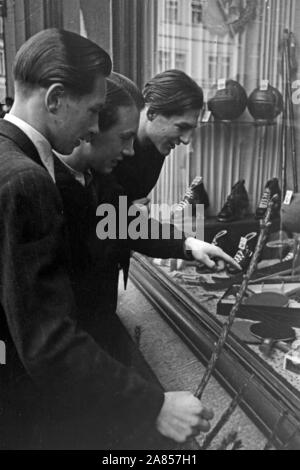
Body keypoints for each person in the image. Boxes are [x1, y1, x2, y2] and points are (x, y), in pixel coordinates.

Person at [0, 29, 214, 450]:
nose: (94, 127)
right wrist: (153, 404)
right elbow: (47, 341)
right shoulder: (28, 180)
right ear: (56, 99)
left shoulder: (23, 161)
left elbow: (117, 222)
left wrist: (188, 245)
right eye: (96, 112)